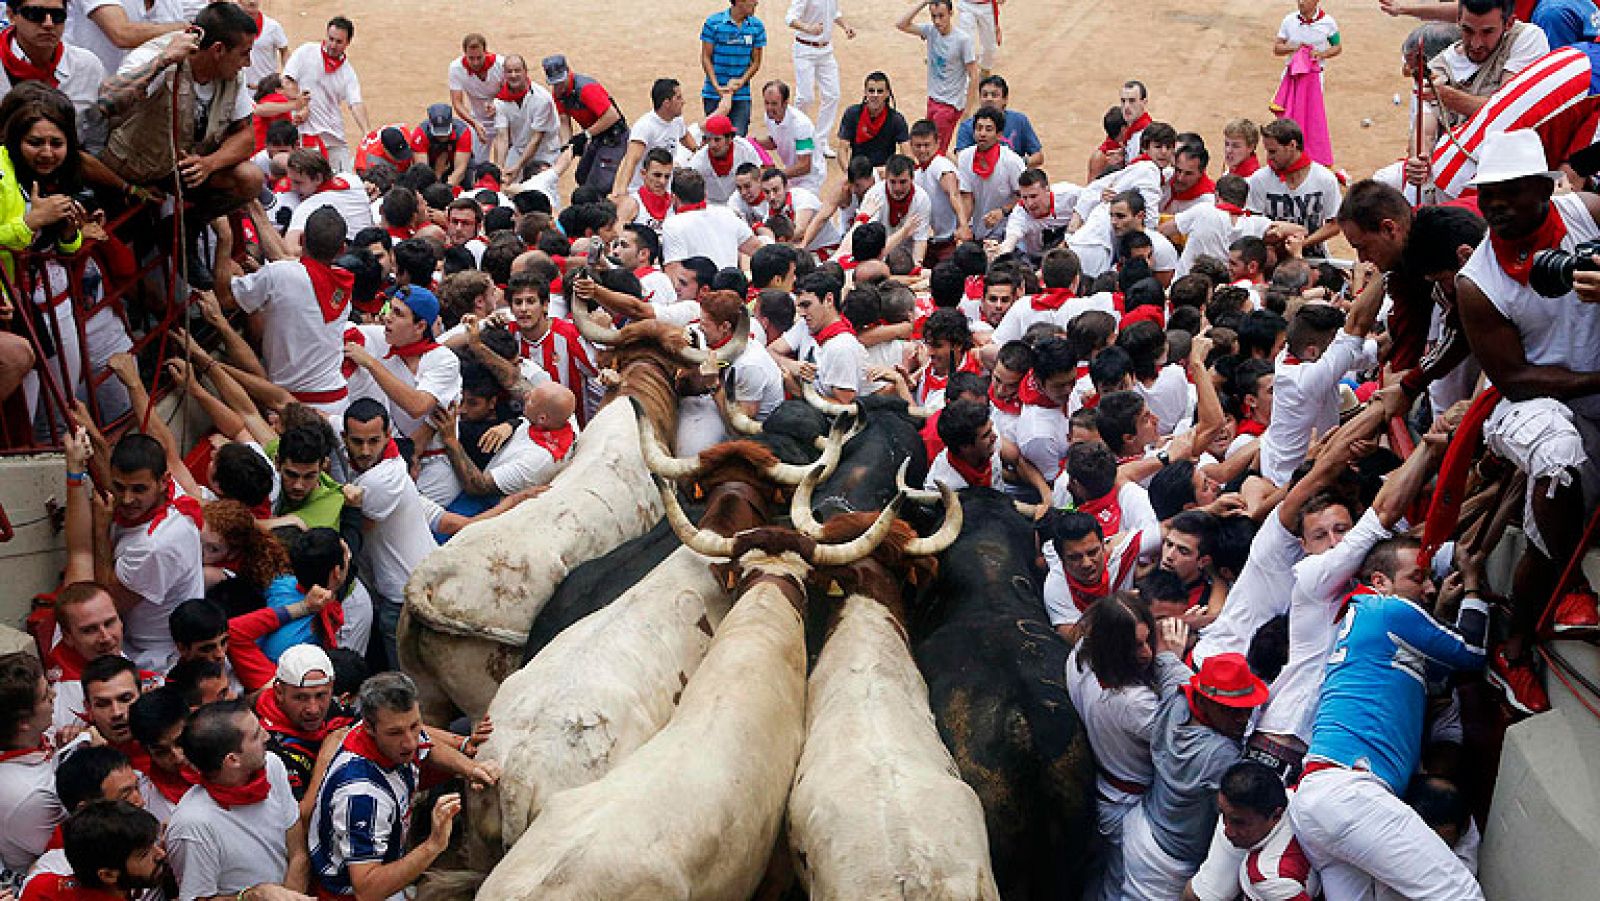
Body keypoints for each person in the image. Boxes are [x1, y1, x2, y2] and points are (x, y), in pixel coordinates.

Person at [1454, 128, 1600, 714]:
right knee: (1560, 454)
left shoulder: (1588, 213)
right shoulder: (1478, 281)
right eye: (1488, 197)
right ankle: (1514, 644)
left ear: (1544, 188)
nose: (1496, 208)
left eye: (1511, 194)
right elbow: (1514, 380)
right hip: (1527, 403)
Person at [1287, 541, 1489, 900]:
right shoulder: (1389, 609)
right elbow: (1471, 652)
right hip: (1351, 793)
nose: (1428, 588)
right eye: (1417, 578)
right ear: (1379, 581)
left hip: (1317, 799)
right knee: (1459, 894)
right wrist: (1473, 584)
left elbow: (1437, 674)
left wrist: (1439, 609)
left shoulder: (1364, 615)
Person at [309, 672, 499, 899]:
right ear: (369, 728)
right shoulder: (361, 796)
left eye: (414, 725)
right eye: (395, 732)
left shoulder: (380, 729)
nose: (410, 741)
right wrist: (433, 845)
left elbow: (426, 743)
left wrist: (470, 768)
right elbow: (367, 890)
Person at [1066, 601, 1188, 901]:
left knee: (1106, 874)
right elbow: (1183, 740)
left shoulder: (1079, 656)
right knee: (1122, 886)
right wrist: (1173, 660)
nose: (1147, 653)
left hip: (1108, 788)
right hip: (1127, 804)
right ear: (1112, 646)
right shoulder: (1133, 702)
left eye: (1149, 641)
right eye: (1134, 646)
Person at [1121, 652, 1268, 900]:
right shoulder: (1220, 755)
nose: (1243, 719)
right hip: (1166, 863)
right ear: (1204, 701)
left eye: (1247, 708)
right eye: (1231, 710)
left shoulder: (1177, 696)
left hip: (1139, 826)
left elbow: (1164, 660)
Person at [97, 2, 262, 222]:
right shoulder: (158, 54)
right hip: (130, 170)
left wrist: (209, 163)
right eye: (245, 53)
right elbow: (107, 102)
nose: (248, 63)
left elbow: (246, 136)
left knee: (249, 178)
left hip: (179, 171)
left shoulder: (232, 76)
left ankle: (189, 227)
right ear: (218, 50)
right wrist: (162, 62)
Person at [214, 206, 353, 417]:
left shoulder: (279, 274)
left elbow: (224, 298)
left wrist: (225, 240)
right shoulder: (343, 283)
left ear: (302, 239)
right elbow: (294, 271)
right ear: (342, 249)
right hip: (338, 402)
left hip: (291, 406)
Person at [165, 699, 308, 901]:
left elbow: (298, 853)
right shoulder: (193, 825)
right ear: (232, 760)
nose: (267, 737)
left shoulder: (272, 766)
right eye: (257, 735)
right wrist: (251, 897)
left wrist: (291, 896)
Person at [1257, 266, 1380, 486]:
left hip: (1289, 462)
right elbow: (1359, 324)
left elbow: (1371, 350)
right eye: (1333, 345)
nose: (1335, 351)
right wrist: (1385, 272)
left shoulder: (1294, 352)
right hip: (1291, 481)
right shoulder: (1307, 379)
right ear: (1313, 352)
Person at [343, 286, 462, 505]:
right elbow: (341, 329)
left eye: (398, 314)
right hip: (390, 458)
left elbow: (417, 406)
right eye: (390, 309)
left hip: (435, 463)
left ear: (420, 326)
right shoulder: (383, 338)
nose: (387, 318)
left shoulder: (443, 360)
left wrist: (370, 363)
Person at [1424, 0, 1548, 134]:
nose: (1476, 44)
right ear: (1458, 20)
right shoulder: (1438, 67)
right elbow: (1425, 133)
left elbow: (1508, 109)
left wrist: (1447, 96)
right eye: (1468, 30)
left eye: (1487, 32)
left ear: (1509, 23)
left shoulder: (1526, 38)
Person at [255, 644, 354, 801]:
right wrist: (324, 761)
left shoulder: (336, 710)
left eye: (321, 695)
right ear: (279, 693)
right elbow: (299, 820)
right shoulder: (266, 745)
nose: (313, 709)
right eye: (301, 698)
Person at [20, 799, 169, 901]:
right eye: (144, 854)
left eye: (153, 844)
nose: (161, 854)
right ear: (108, 875)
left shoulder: (42, 886)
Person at [0, 651, 64, 888]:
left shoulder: (33, 733)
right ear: (24, 722)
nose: (54, 695)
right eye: (46, 697)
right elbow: (73, 847)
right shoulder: (27, 796)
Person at [282, 16, 369, 172]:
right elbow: (287, 80)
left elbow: (355, 103)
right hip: (304, 135)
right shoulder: (306, 52)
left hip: (333, 138)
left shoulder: (347, 73)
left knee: (343, 185)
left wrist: (366, 132)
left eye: (339, 42)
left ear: (348, 43)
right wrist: (299, 103)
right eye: (331, 39)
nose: (333, 45)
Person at [0, 0, 106, 126]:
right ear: (11, 16)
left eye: (58, 15)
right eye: (36, 14)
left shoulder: (87, 66)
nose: (48, 24)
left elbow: (98, 133)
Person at [1245, 117, 1342, 253]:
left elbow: (1335, 224)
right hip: (1273, 260)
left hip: (1315, 258)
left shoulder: (1325, 179)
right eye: (1267, 151)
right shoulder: (1259, 180)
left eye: (1273, 151)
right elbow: (1252, 224)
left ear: (1292, 146)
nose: (1268, 157)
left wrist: (1302, 245)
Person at [896, 0, 978, 154]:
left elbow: (973, 74)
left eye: (941, 16)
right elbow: (901, 24)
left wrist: (967, 110)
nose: (937, 21)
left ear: (951, 13)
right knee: (930, 147)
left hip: (949, 105)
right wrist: (924, 2)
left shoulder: (963, 40)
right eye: (934, 16)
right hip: (933, 100)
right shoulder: (930, 31)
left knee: (932, 151)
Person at [543, 54, 628, 192]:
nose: (558, 87)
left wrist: (586, 135)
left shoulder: (586, 88)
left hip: (614, 137)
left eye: (560, 82)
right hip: (595, 137)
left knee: (601, 184)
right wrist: (567, 144)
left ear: (568, 71)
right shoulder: (558, 93)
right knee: (582, 176)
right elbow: (564, 120)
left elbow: (612, 116)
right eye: (554, 84)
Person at [1272, 0, 1342, 167]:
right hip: (1291, 78)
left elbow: (1338, 46)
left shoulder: (1328, 23)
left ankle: (1305, 155)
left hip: (1314, 80)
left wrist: (1322, 54)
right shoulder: (1289, 20)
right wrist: (1294, 49)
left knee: (1311, 117)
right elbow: (1277, 48)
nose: (1301, 2)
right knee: (1287, 117)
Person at [1162, 174, 1270, 279]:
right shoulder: (1257, 224)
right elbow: (1283, 228)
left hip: (1184, 286)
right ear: (1245, 201)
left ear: (1217, 195)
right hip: (1222, 293)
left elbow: (1163, 230)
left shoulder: (1203, 210)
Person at [785, 0, 854, 160]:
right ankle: (798, 138)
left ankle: (821, 140)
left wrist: (845, 26)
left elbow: (834, 13)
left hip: (826, 51)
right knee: (805, 97)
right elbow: (790, 18)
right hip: (804, 50)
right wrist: (808, 28)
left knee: (833, 95)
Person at [662, 168, 763, 272]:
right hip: (731, 284)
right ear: (705, 194)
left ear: (673, 198)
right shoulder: (727, 213)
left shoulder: (672, 224)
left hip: (702, 287)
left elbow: (673, 271)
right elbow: (759, 250)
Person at [612, 78, 694, 197]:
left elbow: (684, 135)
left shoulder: (676, 120)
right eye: (679, 98)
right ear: (666, 103)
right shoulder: (645, 127)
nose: (683, 102)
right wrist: (621, 191)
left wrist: (697, 150)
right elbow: (630, 160)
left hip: (663, 188)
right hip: (641, 192)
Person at [794, 268, 866, 403]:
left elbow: (845, 407)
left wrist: (798, 392)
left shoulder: (841, 347)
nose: (801, 313)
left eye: (806, 305)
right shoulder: (817, 331)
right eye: (799, 306)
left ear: (828, 300)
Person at [956, 106, 1024, 242]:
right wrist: (963, 226)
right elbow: (966, 196)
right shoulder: (965, 157)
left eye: (988, 129)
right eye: (979, 128)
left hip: (1007, 233)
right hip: (977, 231)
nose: (982, 133)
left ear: (999, 134)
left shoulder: (1012, 161)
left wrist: (1003, 212)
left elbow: (1024, 196)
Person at [700, 0, 766, 135]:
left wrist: (741, 82)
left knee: (738, 139)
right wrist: (717, 86)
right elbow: (706, 58)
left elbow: (756, 62)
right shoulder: (713, 23)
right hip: (713, 93)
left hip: (741, 95)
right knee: (715, 138)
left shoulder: (757, 26)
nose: (756, 2)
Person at [490, 54, 558, 182]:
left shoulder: (543, 99)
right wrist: (499, 168)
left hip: (544, 151)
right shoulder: (499, 102)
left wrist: (518, 166)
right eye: (509, 71)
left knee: (540, 188)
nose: (513, 75)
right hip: (519, 149)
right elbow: (502, 137)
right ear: (504, 74)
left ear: (525, 72)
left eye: (517, 70)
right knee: (505, 183)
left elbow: (536, 138)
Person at [954, 75, 1043, 166]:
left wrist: (1018, 163)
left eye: (994, 95)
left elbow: (1038, 156)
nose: (989, 99)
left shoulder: (1019, 121)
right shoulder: (967, 126)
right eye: (985, 95)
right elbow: (961, 158)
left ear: (1005, 99)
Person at [993, 168, 1079, 260]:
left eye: (1033, 196)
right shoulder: (1019, 216)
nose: (1029, 203)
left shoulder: (1069, 194)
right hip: (1036, 260)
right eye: (1024, 198)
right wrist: (999, 252)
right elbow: (1010, 241)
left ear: (1047, 190)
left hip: (1072, 253)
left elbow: (1091, 200)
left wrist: (1074, 225)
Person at [758, 80, 824, 194]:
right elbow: (775, 141)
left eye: (774, 104)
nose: (769, 108)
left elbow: (805, 166)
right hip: (790, 174)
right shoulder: (769, 117)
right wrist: (752, 143)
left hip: (809, 179)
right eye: (766, 103)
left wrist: (775, 176)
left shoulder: (801, 125)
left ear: (785, 103)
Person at [836, 70, 908, 173]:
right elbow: (842, 149)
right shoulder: (852, 114)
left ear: (887, 93)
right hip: (857, 172)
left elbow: (907, 154)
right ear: (865, 92)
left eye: (880, 91)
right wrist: (849, 172)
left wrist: (888, 172)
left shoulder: (896, 119)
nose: (875, 95)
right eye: (871, 91)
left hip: (884, 174)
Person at [447, 33, 504, 163]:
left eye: (479, 57)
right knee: (476, 163)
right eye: (471, 58)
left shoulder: (501, 64)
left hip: (504, 117)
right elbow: (457, 103)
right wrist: (475, 124)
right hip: (478, 120)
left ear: (486, 52)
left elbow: (512, 91)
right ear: (464, 54)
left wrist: (497, 104)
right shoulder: (456, 68)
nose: (475, 62)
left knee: (504, 163)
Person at [689, 113, 766, 204]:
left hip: (742, 200)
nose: (712, 145)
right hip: (712, 206)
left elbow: (760, 173)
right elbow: (688, 186)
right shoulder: (699, 160)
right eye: (708, 139)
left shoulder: (745, 148)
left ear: (729, 139)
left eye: (717, 140)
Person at [238, 0, 287, 92]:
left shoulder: (273, 27)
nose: (252, 1)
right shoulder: (231, 27)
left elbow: (284, 51)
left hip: (267, 91)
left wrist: (286, 76)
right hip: (238, 90)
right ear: (239, 1)